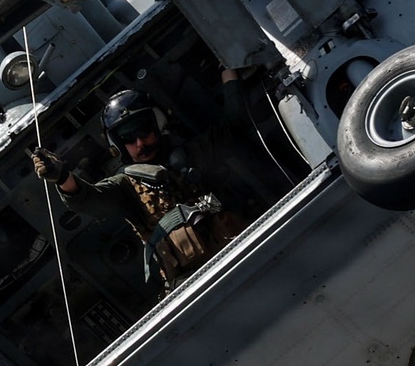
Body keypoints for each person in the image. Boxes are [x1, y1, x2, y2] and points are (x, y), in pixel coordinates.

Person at [32, 75, 263, 293]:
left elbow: (236, 122)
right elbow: (89, 200)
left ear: (158, 124)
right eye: (128, 137)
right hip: (192, 285)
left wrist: (228, 71)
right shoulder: (125, 186)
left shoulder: (193, 154)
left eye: (143, 129)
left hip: (241, 254)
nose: (139, 142)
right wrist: (62, 177)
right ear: (119, 144)